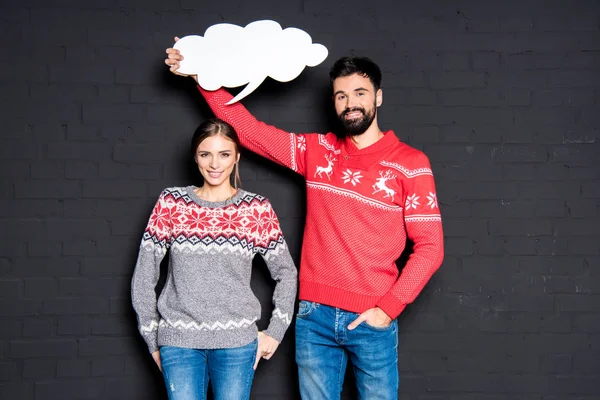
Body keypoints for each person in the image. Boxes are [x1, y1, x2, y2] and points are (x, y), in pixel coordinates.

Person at [165, 41, 444, 399]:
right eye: (341, 96)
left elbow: (431, 247)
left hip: (372, 319)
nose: (350, 103)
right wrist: (201, 74)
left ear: (378, 97)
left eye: (360, 93)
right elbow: (247, 131)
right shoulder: (318, 152)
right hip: (314, 317)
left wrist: (388, 310)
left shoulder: (411, 164)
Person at [131, 118, 298, 400]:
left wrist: (276, 331)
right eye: (205, 154)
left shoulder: (256, 209)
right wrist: (152, 339)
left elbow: (287, 272)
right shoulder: (172, 203)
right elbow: (144, 274)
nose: (214, 164)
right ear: (195, 157)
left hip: (237, 344)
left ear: (237, 157)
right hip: (179, 343)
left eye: (224, 154)